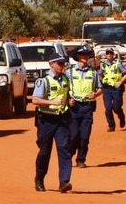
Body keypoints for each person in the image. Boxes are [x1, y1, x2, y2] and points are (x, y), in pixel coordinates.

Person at [32, 53, 73, 193]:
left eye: (64, 64)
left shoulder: (66, 79)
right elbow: (35, 100)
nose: (63, 66)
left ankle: (64, 181)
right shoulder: (43, 81)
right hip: (46, 120)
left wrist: (70, 102)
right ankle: (39, 178)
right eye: (60, 64)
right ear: (52, 64)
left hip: (61, 119)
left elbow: (67, 96)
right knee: (44, 151)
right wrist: (52, 102)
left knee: (64, 149)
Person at [67, 46, 102, 168]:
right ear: (77, 56)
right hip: (74, 107)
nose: (85, 57)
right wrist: (68, 100)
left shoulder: (93, 72)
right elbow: (64, 89)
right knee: (73, 135)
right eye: (82, 55)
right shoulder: (69, 72)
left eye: (87, 55)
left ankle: (81, 159)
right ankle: (68, 155)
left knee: (84, 137)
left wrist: (96, 94)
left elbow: (100, 88)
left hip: (87, 107)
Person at [98, 47, 126, 132]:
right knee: (108, 108)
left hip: (116, 88)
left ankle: (121, 116)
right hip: (107, 88)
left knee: (116, 107)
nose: (109, 55)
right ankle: (111, 125)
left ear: (113, 55)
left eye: (110, 53)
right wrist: (102, 80)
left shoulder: (118, 64)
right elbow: (100, 74)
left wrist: (120, 82)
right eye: (107, 53)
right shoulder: (103, 65)